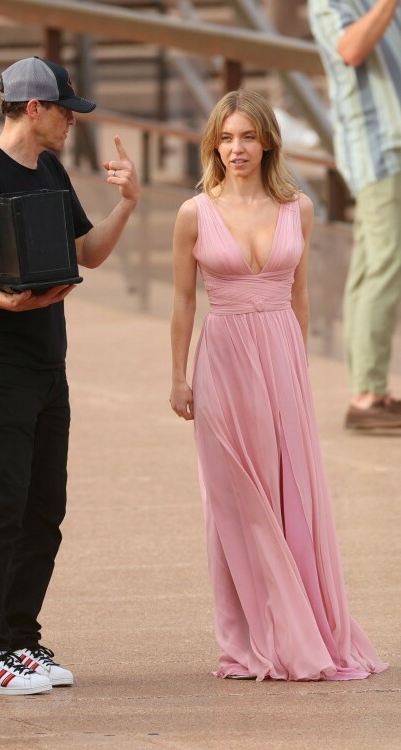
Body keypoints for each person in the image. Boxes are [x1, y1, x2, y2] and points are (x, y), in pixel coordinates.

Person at [0, 57, 140, 695]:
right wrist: (1, 300)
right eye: (65, 108)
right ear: (33, 109)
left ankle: (19, 639)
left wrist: (127, 203)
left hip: (48, 365)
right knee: (3, 507)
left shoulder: (47, 169)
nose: (72, 119)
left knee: (44, 508)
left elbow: (88, 254)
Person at [169, 89, 387, 680]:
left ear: (267, 140)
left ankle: (303, 626)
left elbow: (300, 294)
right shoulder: (195, 212)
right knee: (239, 497)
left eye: (246, 136)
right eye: (225, 136)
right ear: (214, 143)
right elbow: (184, 302)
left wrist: (302, 365)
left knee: (293, 495)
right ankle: (247, 638)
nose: (235, 148)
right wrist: (177, 377)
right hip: (223, 361)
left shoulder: (300, 207)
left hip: (283, 359)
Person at [308, 0, 401, 430]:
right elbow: (352, 49)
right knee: (385, 264)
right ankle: (367, 396)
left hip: (388, 146)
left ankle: (371, 390)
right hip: (379, 148)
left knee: (371, 266)